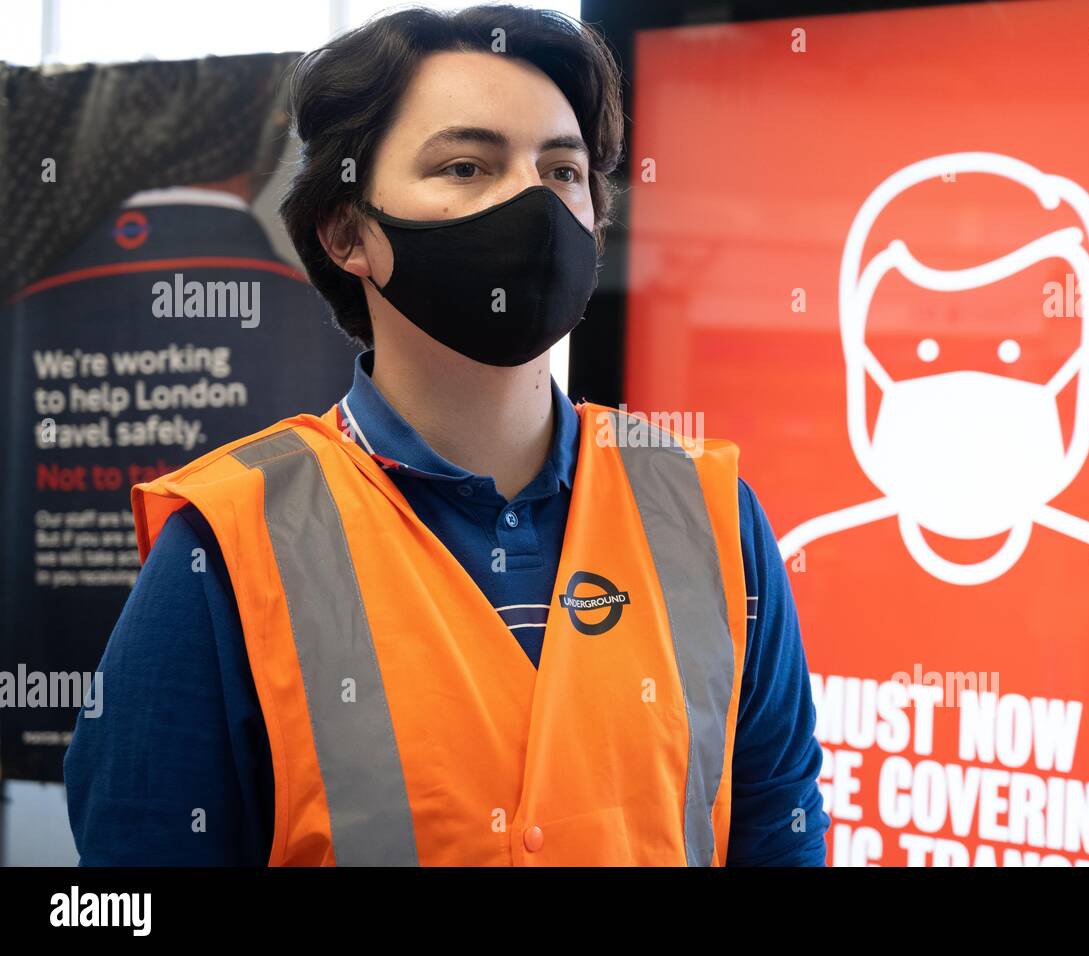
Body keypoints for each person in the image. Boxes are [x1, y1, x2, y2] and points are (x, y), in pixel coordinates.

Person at [64, 4, 829, 866]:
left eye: (563, 169)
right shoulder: (231, 544)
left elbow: (778, 819)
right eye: (467, 165)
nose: (534, 203)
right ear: (349, 232)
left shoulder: (711, 513)